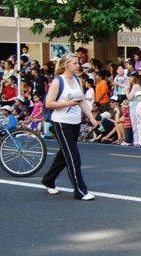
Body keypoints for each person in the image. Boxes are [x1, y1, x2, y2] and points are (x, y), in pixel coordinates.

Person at [42, 53, 99, 200]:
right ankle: (80, 190)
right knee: (73, 157)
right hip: (61, 122)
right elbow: (49, 103)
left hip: (75, 122)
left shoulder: (76, 79)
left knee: (64, 154)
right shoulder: (57, 81)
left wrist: (91, 116)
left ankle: (48, 179)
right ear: (66, 65)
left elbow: (81, 101)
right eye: (75, 63)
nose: (78, 65)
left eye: (78, 63)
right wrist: (68, 103)